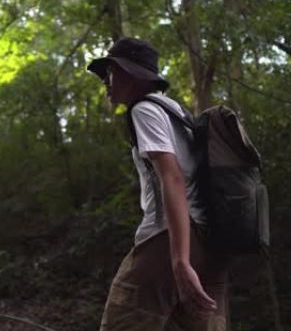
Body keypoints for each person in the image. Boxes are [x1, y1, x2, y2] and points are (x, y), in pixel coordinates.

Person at [87, 37, 230, 331]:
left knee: (122, 322)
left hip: (167, 240)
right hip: (208, 241)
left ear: (129, 74)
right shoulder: (176, 112)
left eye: (110, 72)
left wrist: (179, 260)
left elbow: (172, 176)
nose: (106, 81)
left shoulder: (144, 110)